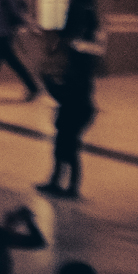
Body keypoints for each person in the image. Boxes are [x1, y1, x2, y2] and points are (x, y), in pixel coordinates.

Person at [45, 41, 98, 197]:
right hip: (75, 116)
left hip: (72, 116)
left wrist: (49, 83)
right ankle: (62, 184)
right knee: (65, 150)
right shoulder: (82, 75)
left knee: (67, 150)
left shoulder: (75, 75)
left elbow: (63, 95)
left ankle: (67, 186)